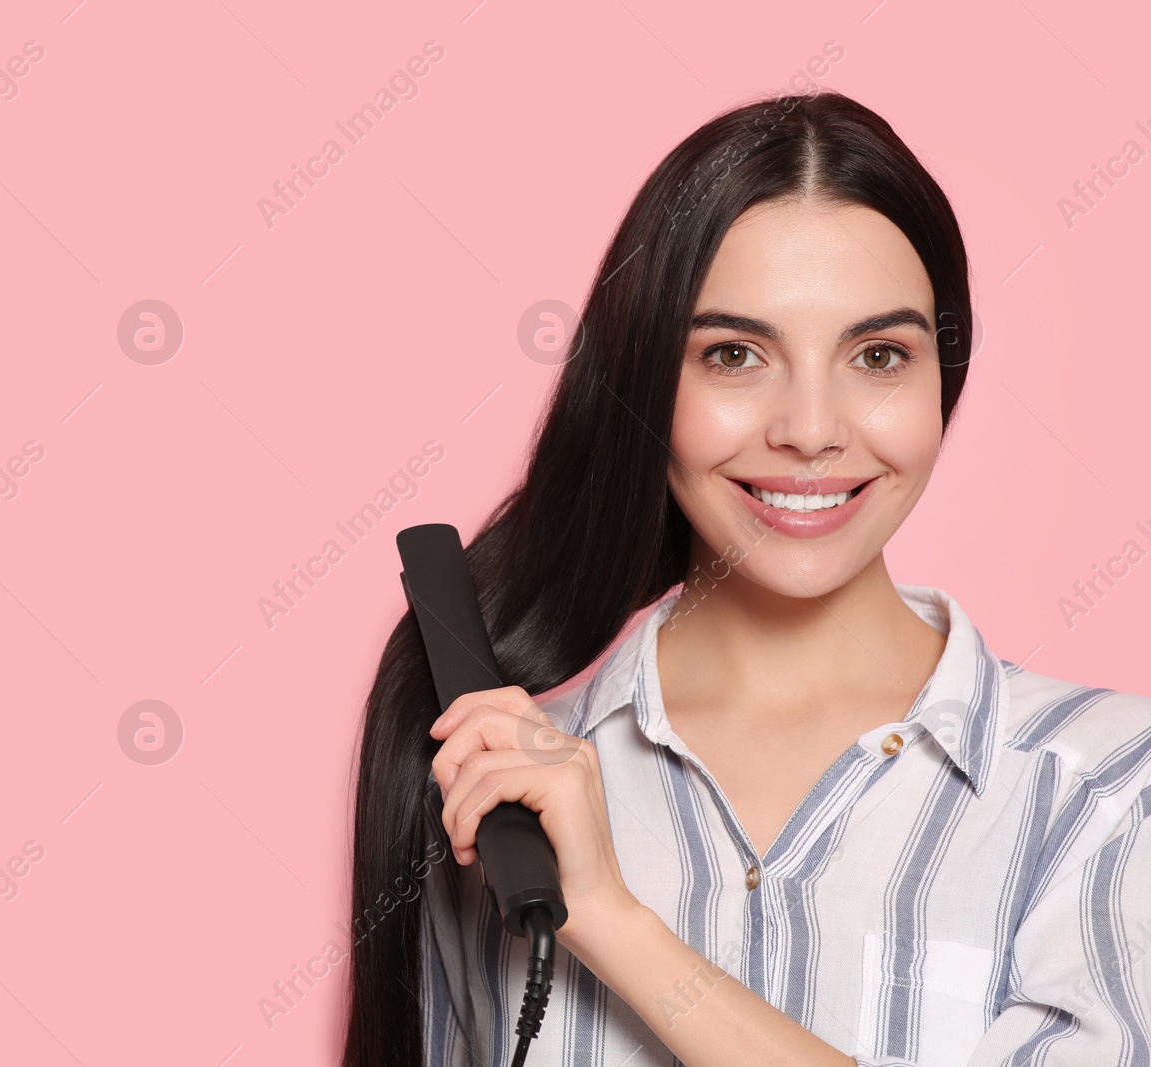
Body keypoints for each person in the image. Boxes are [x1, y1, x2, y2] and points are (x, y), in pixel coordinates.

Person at [341, 89, 1151, 1067]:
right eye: (733, 354)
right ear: (646, 382)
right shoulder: (499, 794)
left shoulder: (1107, 790)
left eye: (877, 354)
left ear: (943, 379)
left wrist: (608, 919)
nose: (809, 428)